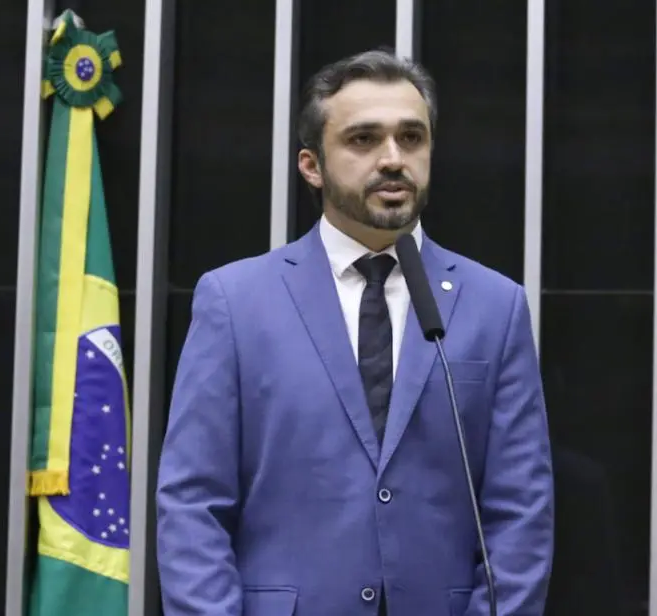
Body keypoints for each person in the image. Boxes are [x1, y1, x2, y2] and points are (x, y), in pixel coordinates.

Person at [156, 49, 554, 615]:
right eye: (364, 140)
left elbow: (520, 510)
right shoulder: (235, 301)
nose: (393, 159)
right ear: (311, 165)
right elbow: (193, 502)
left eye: (411, 138)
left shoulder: (496, 306)